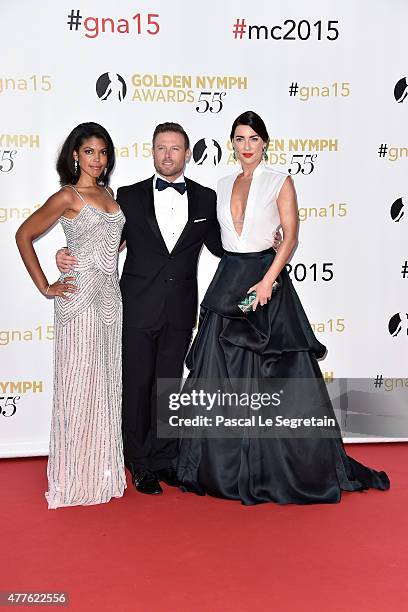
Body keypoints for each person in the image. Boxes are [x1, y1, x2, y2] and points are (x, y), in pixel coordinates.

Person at [176, 111, 390, 505]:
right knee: (219, 378)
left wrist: (268, 281)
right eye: (239, 138)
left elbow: (290, 238)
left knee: (276, 376)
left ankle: (276, 468)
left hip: (266, 280)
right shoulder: (221, 185)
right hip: (229, 282)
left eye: (253, 138)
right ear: (232, 143)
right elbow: (217, 237)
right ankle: (219, 467)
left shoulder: (280, 181)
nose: (246, 146)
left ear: (265, 142)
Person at [57, 122, 225, 495]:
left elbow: (221, 246)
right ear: (152, 152)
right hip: (133, 307)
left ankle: (164, 459)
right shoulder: (126, 197)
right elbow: (103, 237)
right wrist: (65, 253)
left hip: (180, 310)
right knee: (135, 387)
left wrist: (264, 240)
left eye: (175, 148)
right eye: (161, 148)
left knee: (168, 386)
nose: (168, 154)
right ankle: (138, 461)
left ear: (186, 153)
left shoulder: (206, 199)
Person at [16, 122, 126, 508]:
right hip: (78, 300)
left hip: (111, 300)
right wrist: (47, 284)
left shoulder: (109, 194)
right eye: (90, 152)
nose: (97, 159)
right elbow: (23, 235)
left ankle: (103, 472)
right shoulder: (68, 195)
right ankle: (74, 476)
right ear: (75, 155)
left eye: (103, 152)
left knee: (107, 385)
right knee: (78, 385)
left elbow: (111, 240)